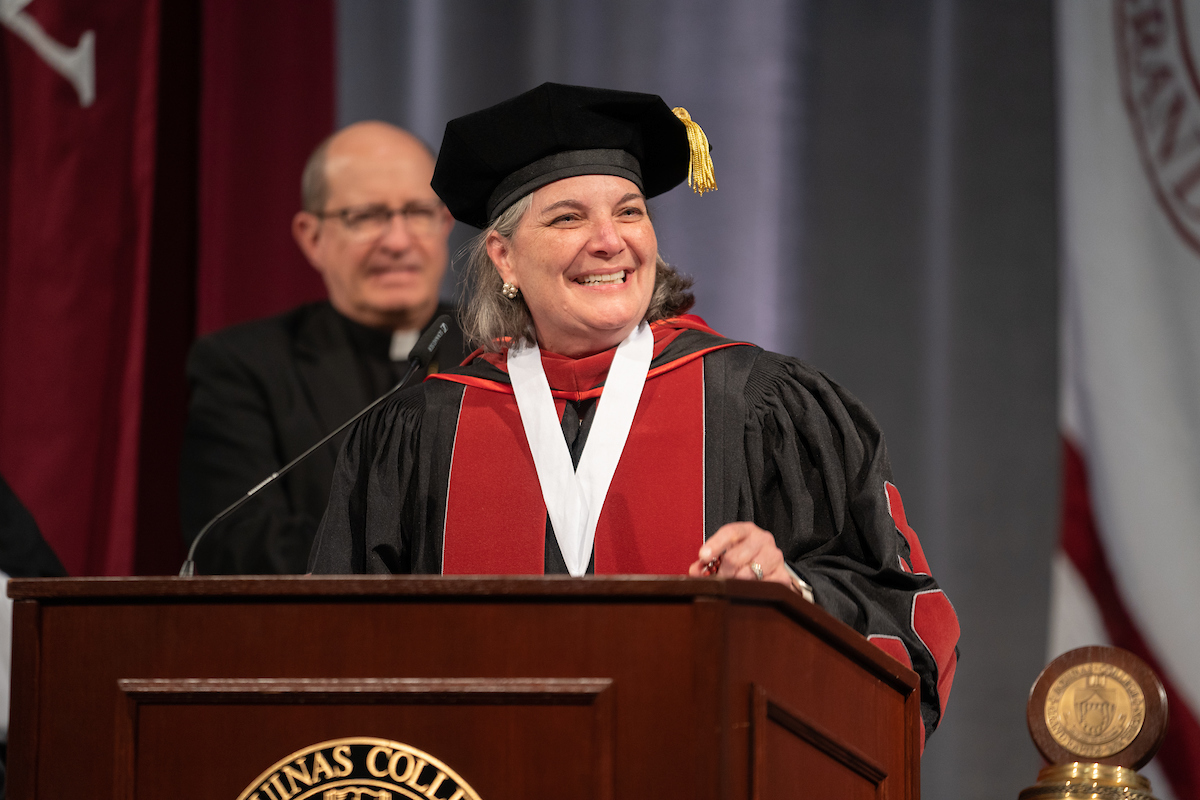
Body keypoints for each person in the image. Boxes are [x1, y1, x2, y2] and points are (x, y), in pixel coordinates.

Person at [308, 83, 959, 742]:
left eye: (629, 212)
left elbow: (906, 620)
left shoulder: (761, 406)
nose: (609, 241)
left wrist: (793, 592)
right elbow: (331, 653)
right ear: (504, 257)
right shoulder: (423, 430)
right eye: (567, 218)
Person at [180, 121, 467, 575]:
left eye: (417, 212)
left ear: (444, 223)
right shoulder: (243, 366)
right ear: (312, 238)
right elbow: (239, 541)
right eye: (366, 217)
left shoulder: (504, 352)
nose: (396, 241)